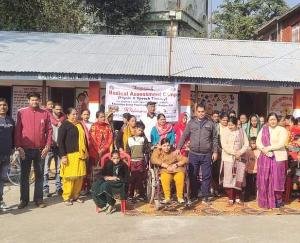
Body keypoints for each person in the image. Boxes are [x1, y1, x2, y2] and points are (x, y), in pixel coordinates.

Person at [15, 92, 53, 209]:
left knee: (40, 175)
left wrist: (47, 146)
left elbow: (49, 131)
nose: (34, 102)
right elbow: (18, 130)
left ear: (39, 101)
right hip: (25, 149)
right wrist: (18, 147)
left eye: (36, 100)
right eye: (32, 100)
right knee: (24, 176)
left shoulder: (45, 113)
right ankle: (24, 200)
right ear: (28, 101)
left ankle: (39, 199)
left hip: (40, 150)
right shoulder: (21, 112)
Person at [176, 104, 218, 204]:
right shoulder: (191, 123)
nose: (201, 113)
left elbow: (215, 138)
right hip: (193, 154)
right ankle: (194, 195)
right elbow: (184, 136)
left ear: (205, 112)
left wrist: (215, 152)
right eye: (199, 112)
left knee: (206, 175)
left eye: (202, 111)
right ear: (196, 112)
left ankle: (205, 196)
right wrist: (178, 148)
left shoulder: (210, 123)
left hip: (206, 154)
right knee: (192, 175)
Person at [256, 112, 288, 209]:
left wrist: (268, 148)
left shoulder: (282, 130)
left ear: (277, 120)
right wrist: (264, 150)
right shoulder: (264, 129)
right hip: (265, 157)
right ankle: (265, 200)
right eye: (270, 119)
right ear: (268, 121)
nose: (272, 121)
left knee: (277, 179)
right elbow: (258, 142)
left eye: (274, 119)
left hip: (278, 158)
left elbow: (281, 143)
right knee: (265, 179)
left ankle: (278, 200)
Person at [58, 108, 88, 206]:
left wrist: (86, 152)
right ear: (68, 115)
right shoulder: (64, 126)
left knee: (79, 177)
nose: (75, 116)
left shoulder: (79, 125)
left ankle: (76, 195)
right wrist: (63, 156)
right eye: (73, 114)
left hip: (80, 154)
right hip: (69, 155)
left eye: (76, 114)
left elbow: (85, 140)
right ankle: (67, 197)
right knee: (69, 178)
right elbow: (60, 142)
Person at [220, 116, 249, 205]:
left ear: (236, 124)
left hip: (240, 157)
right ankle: (230, 198)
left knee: (239, 178)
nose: (230, 127)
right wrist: (234, 153)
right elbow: (224, 145)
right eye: (229, 125)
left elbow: (246, 144)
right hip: (228, 158)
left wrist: (240, 152)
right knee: (229, 178)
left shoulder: (241, 131)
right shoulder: (225, 131)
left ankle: (237, 197)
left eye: (232, 125)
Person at [151, 138, 188, 204]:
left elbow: (185, 159)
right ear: (161, 146)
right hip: (165, 170)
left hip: (176, 169)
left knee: (180, 177)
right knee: (165, 178)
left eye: (168, 145)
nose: (166, 148)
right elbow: (153, 159)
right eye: (164, 146)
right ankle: (167, 197)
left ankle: (180, 197)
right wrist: (164, 165)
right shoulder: (158, 151)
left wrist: (176, 164)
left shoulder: (173, 151)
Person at [43, 103, 65, 197]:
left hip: (59, 147)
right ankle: (45, 188)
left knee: (59, 169)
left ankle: (58, 187)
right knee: (46, 169)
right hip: (49, 146)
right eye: (57, 109)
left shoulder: (63, 119)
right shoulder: (48, 119)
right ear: (53, 110)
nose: (58, 111)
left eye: (60, 109)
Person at [127, 121, 150, 201]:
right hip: (132, 161)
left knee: (140, 178)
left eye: (142, 130)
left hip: (141, 161)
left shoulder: (143, 139)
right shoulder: (129, 139)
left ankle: (142, 195)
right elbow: (127, 152)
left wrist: (147, 153)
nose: (141, 132)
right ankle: (130, 195)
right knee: (133, 178)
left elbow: (147, 149)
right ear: (135, 129)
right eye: (139, 130)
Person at [0, 98, 14, 211]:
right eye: (0, 105)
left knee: (2, 179)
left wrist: (14, 149)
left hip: (6, 155)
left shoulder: (11, 120)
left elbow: (13, 137)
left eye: (4, 105)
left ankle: (0, 200)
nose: (2, 107)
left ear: (7, 107)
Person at [244, 137, 260, 201]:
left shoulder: (259, 151)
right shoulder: (248, 151)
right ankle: (247, 196)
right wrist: (246, 169)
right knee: (248, 184)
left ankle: (258, 196)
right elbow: (246, 160)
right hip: (249, 171)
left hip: (257, 171)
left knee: (257, 184)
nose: (252, 145)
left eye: (254, 143)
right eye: (251, 143)